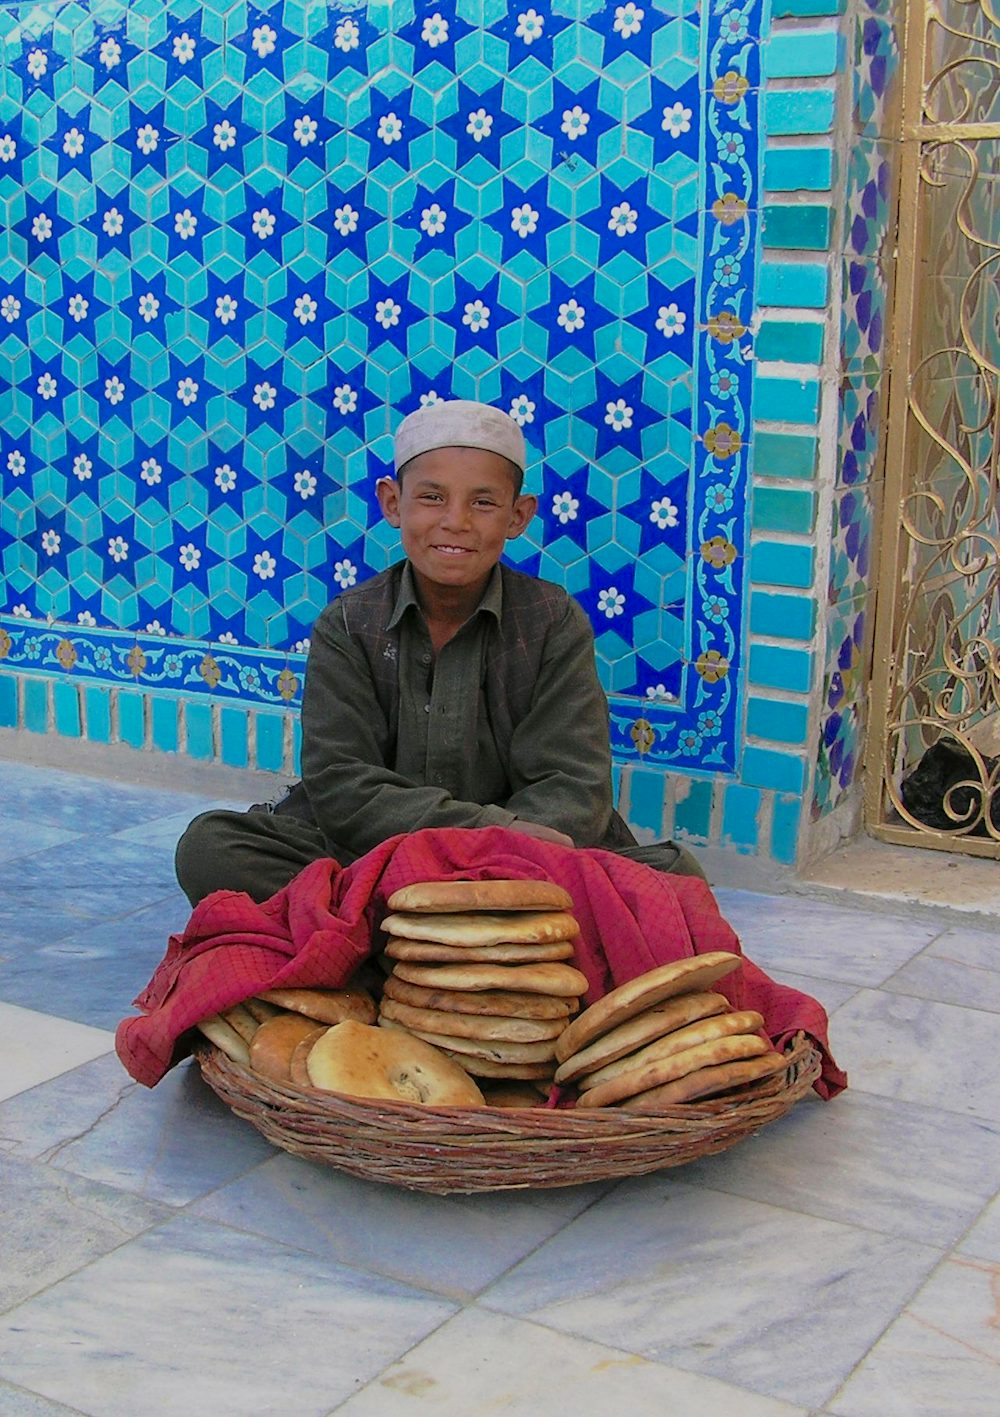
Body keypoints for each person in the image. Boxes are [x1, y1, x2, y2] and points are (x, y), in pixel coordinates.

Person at [174, 399, 704, 905]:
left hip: (526, 860)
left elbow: (572, 785)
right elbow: (342, 784)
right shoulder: (350, 623)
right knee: (211, 848)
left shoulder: (552, 621)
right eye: (431, 497)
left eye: (483, 502)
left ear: (518, 516)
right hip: (381, 855)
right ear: (391, 503)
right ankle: (459, 932)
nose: (456, 522)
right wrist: (487, 839)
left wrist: (502, 856)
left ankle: (385, 934)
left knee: (676, 881)